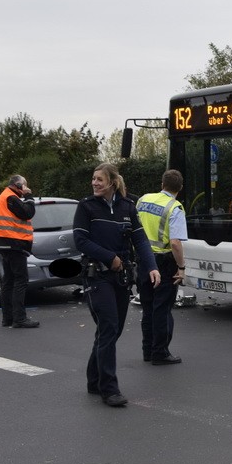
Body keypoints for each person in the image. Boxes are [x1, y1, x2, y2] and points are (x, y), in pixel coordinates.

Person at [73, 163, 161, 408]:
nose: (94, 183)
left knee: (111, 330)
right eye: (93, 179)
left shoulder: (127, 207)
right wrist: (108, 257)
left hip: (120, 278)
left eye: (99, 179)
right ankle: (109, 389)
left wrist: (152, 266)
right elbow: (80, 240)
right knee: (109, 327)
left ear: (112, 182)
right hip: (97, 277)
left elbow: (140, 238)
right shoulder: (86, 206)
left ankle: (94, 379)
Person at [136, 169, 188, 365]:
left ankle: (147, 350)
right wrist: (181, 267)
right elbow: (175, 243)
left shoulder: (143, 200)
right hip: (164, 262)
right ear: (180, 188)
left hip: (143, 260)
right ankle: (160, 352)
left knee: (148, 306)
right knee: (162, 308)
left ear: (162, 184)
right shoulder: (175, 208)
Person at [0, 175, 38, 329]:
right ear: (18, 185)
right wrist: (29, 196)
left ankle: (8, 318)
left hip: (5, 243)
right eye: (25, 185)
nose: (26, 188)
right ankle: (19, 318)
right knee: (20, 280)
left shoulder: (5, 197)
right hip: (14, 243)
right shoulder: (11, 197)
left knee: (9, 281)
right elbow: (27, 212)